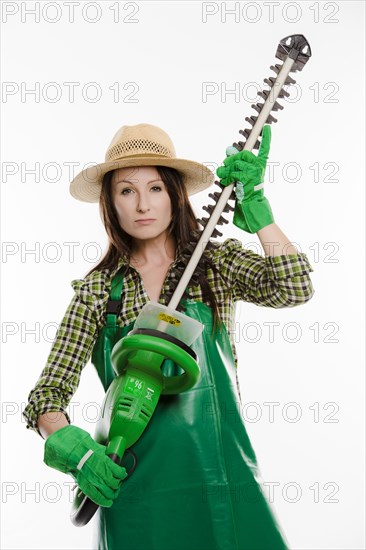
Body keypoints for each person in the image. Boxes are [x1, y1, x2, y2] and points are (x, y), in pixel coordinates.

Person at [23, 122, 314, 549]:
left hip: (224, 481)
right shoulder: (99, 291)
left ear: (175, 194)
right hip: (136, 493)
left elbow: (294, 288)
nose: (143, 204)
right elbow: (46, 398)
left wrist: (260, 214)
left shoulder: (214, 263)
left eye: (155, 188)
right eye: (126, 190)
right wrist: (76, 451)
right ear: (110, 203)